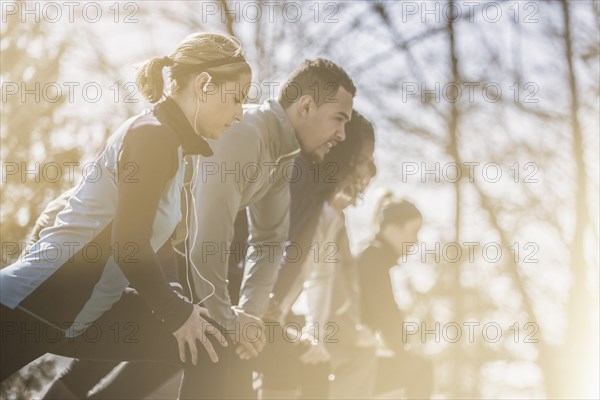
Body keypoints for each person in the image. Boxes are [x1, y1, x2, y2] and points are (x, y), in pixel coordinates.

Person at [0, 32, 251, 399]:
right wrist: (175, 312)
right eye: (237, 99)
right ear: (205, 84)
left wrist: (181, 303)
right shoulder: (153, 136)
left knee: (209, 346)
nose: (241, 113)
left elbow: (155, 247)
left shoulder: (176, 148)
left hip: (86, 314)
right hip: (33, 305)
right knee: (206, 343)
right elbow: (129, 243)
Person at [257, 110, 376, 399]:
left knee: (310, 359)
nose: (366, 171)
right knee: (294, 359)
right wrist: (264, 316)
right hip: (245, 311)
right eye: (362, 161)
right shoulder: (299, 190)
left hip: (270, 317)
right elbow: (272, 258)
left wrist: (314, 334)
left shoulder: (329, 217)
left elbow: (320, 280)